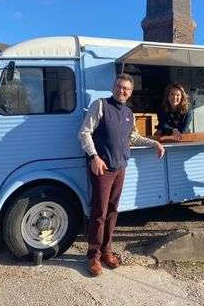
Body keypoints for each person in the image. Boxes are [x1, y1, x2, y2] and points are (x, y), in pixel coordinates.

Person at [79, 73, 165, 277]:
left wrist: (155, 143)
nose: (122, 90)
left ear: (130, 92)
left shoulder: (129, 113)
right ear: (113, 87)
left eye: (126, 88)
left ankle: (107, 251)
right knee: (99, 212)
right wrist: (94, 157)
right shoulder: (100, 105)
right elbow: (84, 133)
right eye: (119, 86)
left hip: (120, 167)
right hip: (102, 168)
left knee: (112, 210)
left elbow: (132, 137)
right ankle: (93, 255)